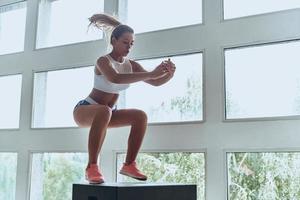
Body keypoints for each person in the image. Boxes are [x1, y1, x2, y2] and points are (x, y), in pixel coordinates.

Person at [73, 13, 176, 184]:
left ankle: (129, 165)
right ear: (113, 40)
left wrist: (168, 74)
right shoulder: (103, 61)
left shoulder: (131, 65)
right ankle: (91, 167)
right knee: (104, 110)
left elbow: (155, 82)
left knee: (140, 116)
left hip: (108, 114)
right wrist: (151, 73)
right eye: (125, 43)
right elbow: (115, 78)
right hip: (85, 109)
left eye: (132, 44)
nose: (129, 47)